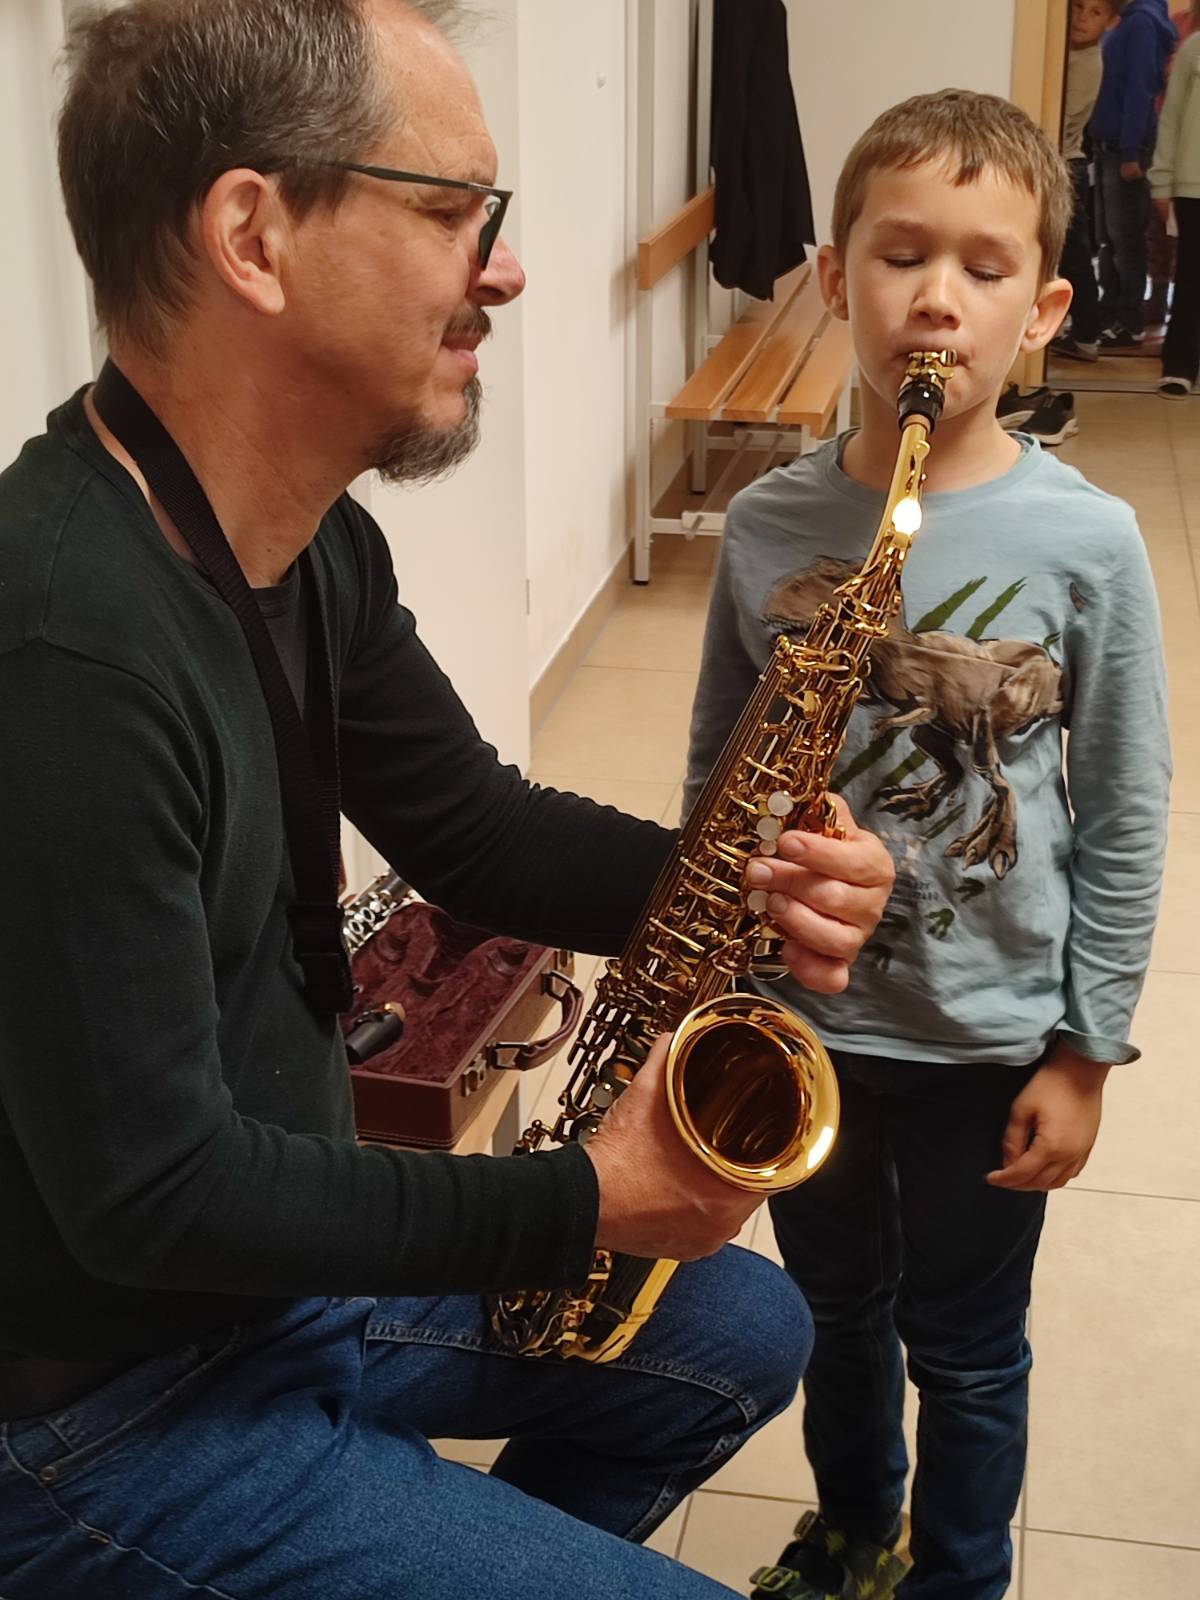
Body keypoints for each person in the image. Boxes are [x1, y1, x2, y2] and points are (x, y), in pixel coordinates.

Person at [0, 3, 901, 1597]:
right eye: (453, 211)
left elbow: (470, 828)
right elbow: (157, 1195)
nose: (507, 268)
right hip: (104, 1405)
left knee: (743, 1330)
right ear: (253, 237)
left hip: (265, 1278)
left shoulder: (305, 541)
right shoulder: (64, 646)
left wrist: (744, 887)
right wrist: (576, 1200)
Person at [683, 89, 1171, 1600]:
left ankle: (961, 1578)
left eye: (984, 265)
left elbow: (1128, 807)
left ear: (1045, 313)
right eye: (901, 257)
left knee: (966, 1348)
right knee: (834, 1314)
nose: (938, 300)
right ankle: (851, 1536)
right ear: (837, 280)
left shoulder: (1089, 542)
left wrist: (1086, 1050)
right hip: (809, 1023)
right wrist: (713, 975)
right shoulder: (767, 528)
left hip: (988, 1037)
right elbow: (714, 769)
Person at [1089, 0, 1178, 348]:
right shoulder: (1127, 20)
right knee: (1109, 238)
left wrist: (1129, 152)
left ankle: (1129, 320)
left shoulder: (1141, 22)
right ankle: (1110, 313)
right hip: (1109, 146)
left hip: (1125, 149)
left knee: (1125, 239)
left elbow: (1139, 91)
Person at [1051, 0, 1124, 360]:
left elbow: (1058, 121)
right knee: (1070, 253)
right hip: (1065, 163)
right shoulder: (1064, 54)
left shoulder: (1085, 63)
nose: (1081, 18)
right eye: (1078, 6)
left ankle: (1085, 334)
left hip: (1066, 166)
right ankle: (1082, 332)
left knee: (1073, 256)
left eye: (1095, 12)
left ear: (1110, 22)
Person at [1150, 0, 1200, 393]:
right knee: (1191, 278)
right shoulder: (1193, 49)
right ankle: (1180, 364)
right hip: (1193, 184)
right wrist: (1162, 180)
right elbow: (1171, 120)